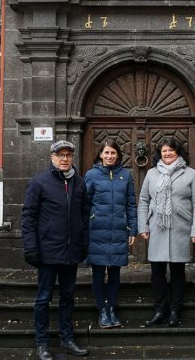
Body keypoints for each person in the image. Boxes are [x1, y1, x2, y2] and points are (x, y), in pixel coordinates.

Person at [21, 140, 91, 360]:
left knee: (68, 297)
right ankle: (42, 343)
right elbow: (28, 217)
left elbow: (84, 216)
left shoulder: (79, 183)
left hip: (70, 252)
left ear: (72, 158)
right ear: (52, 157)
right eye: (60, 155)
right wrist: (31, 247)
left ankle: (67, 339)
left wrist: (84, 242)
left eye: (68, 155)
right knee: (43, 298)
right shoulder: (39, 183)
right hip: (47, 252)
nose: (64, 159)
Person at [137, 137, 195, 327]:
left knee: (177, 272)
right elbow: (143, 201)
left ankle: (175, 311)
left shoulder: (190, 174)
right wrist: (143, 226)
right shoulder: (151, 173)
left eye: (170, 151)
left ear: (178, 152)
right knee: (157, 272)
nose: (167, 154)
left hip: (180, 228)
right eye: (164, 151)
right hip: (157, 227)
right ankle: (159, 310)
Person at [84, 139, 137, 329]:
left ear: (118, 155)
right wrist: (86, 225)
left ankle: (112, 307)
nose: (109, 156)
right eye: (106, 153)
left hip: (118, 230)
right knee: (98, 271)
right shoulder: (91, 175)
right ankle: (102, 310)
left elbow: (131, 204)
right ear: (100, 154)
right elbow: (85, 204)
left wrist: (133, 227)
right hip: (97, 230)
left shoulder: (126, 175)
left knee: (115, 272)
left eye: (113, 153)